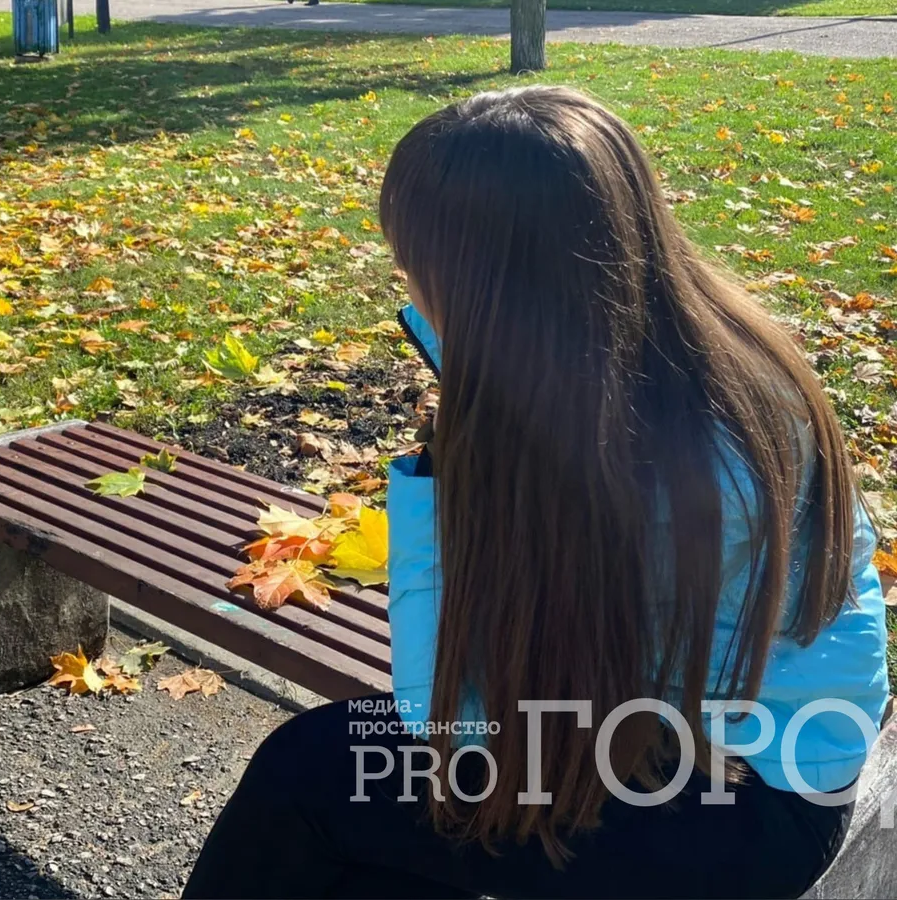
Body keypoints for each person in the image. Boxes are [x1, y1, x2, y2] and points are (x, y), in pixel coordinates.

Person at [182, 86, 890, 899]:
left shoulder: (624, 460)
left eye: (417, 270)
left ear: (491, 290)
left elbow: (454, 719)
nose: (411, 291)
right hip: (757, 743)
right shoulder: (708, 356)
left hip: (740, 804)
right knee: (372, 837)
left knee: (309, 776)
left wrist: (441, 475)